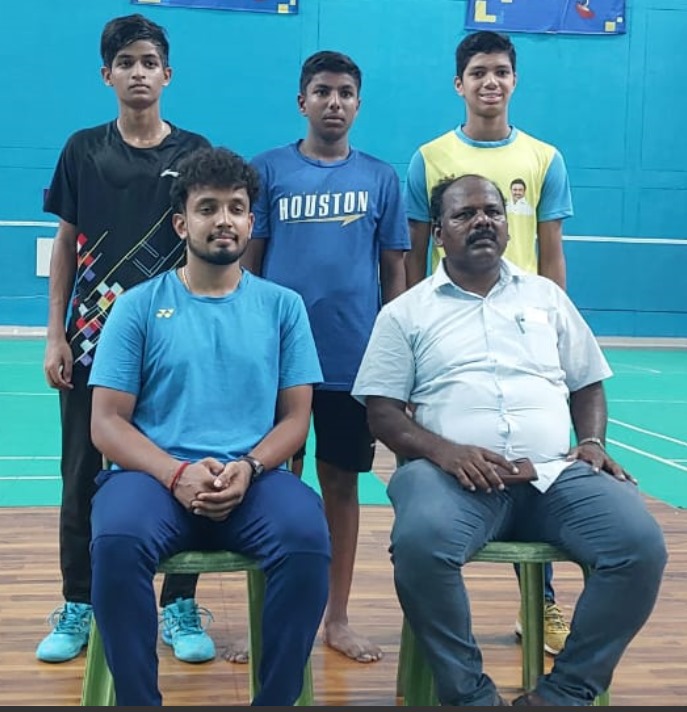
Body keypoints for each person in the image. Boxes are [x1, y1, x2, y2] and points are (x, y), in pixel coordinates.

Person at [352, 174, 667, 706]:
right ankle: (470, 696)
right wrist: (445, 452)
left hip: (553, 475)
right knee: (421, 544)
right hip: (453, 482)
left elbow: (587, 382)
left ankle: (564, 693)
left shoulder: (547, 297)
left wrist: (591, 441)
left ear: (506, 224)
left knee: (639, 545)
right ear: (439, 234)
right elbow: (382, 413)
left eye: (492, 212)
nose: (482, 221)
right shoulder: (406, 312)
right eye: (464, 214)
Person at [87, 145, 331, 706]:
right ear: (182, 223)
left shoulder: (283, 307)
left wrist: (249, 466)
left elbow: (296, 418)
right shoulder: (137, 307)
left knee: (306, 539)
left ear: (250, 221)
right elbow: (107, 422)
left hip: (254, 480)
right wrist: (176, 474)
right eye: (208, 208)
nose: (224, 220)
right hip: (154, 479)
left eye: (236, 208)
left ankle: (274, 700)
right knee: (117, 540)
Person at [39, 13, 216, 664]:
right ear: (106, 75)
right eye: (125, 62)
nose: (137, 72)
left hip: (176, 344)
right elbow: (66, 244)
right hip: (91, 342)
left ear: (167, 74)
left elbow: (210, 243)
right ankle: (79, 601)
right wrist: (55, 334)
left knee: (183, 466)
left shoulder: (195, 153)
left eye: (148, 62)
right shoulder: (82, 150)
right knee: (82, 474)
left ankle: (178, 604)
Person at [403, 29, 574, 654]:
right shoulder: (429, 158)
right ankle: (426, 607)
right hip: (450, 338)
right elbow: (412, 257)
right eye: (478, 72)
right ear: (459, 84)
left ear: (514, 80)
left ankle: (541, 604)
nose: (490, 82)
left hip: (524, 337)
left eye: (500, 71)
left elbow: (552, 255)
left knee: (538, 465)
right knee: (433, 471)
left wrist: (556, 334)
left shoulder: (545, 159)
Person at [241, 50, 409, 663]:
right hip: (277, 363)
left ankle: (336, 617)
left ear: (358, 105)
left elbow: (395, 274)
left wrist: (399, 355)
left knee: (340, 484)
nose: (333, 102)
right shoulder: (268, 171)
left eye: (344, 93)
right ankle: (269, 620)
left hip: (350, 363)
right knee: (270, 487)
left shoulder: (381, 178)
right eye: (322, 91)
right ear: (302, 101)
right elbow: (249, 266)